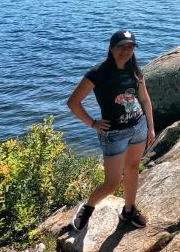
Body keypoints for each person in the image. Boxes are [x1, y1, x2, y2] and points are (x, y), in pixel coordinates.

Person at [66, 30, 156, 232]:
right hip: (114, 134)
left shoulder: (135, 70)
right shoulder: (98, 74)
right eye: (121, 47)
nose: (126, 51)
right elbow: (73, 102)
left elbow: (144, 99)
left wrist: (151, 126)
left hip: (138, 127)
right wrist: (92, 123)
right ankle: (87, 208)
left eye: (130, 47)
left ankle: (129, 210)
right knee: (112, 183)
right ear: (111, 48)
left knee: (133, 169)